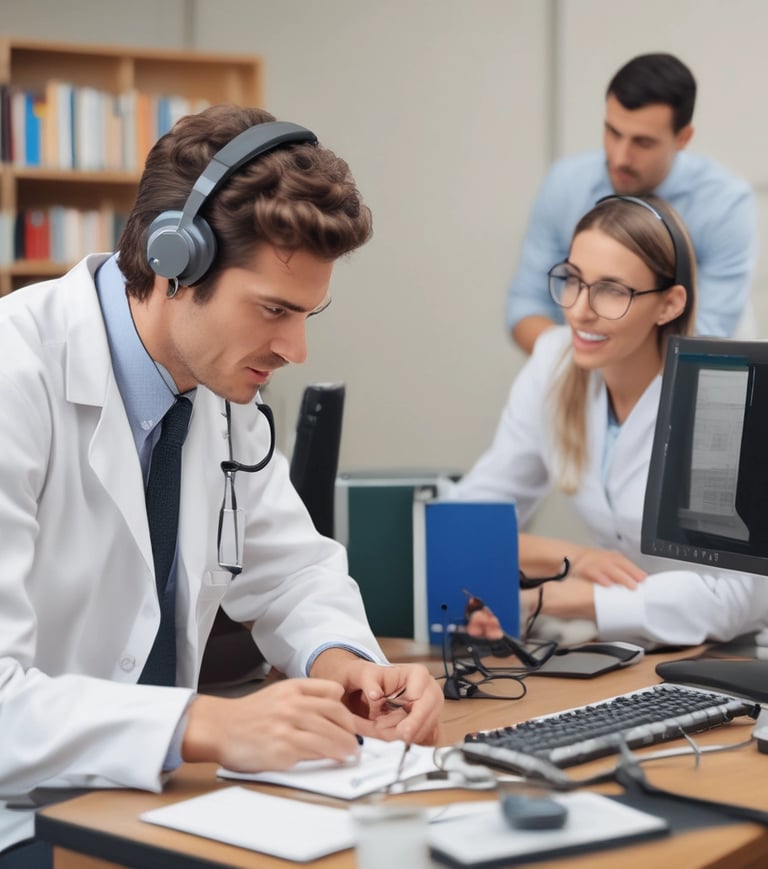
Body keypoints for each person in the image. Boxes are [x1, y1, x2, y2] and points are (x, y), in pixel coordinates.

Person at [0, 105, 443, 864]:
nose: (296, 348)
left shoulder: (217, 390)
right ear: (175, 260)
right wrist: (207, 723)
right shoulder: (16, 376)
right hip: (24, 818)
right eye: (274, 309)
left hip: (146, 802)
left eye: (307, 314)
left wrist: (349, 667)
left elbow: (292, 572)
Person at [455, 194, 768, 648]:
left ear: (669, 304)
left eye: (612, 290)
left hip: (734, 654)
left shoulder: (719, 395)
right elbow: (465, 524)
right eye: (573, 280)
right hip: (633, 651)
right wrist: (574, 558)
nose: (579, 310)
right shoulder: (554, 362)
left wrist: (574, 599)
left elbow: (739, 595)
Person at [507, 53, 757, 354]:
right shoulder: (565, 183)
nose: (620, 157)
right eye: (613, 132)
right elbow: (526, 305)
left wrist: (598, 358)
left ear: (683, 138)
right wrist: (578, 363)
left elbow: (709, 333)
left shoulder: (725, 204)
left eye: (643, 142)